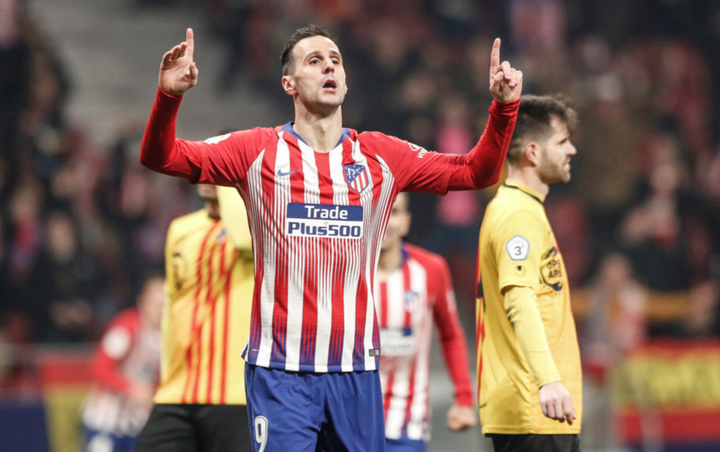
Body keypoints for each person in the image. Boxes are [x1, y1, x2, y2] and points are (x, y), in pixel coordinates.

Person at [140, 24, 522, 451]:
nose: (329, 68)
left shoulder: (381, 156)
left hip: (355, 372)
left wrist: (503, 109)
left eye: (335, 61)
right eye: (314, 61)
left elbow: (476, 172)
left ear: (345, 80)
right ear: (289, 83)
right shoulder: (256, 151)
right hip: (280, 372)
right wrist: (169, 97)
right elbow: (161, 157)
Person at [476, 94, 582, 452]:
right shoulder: (517, 214)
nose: (572, 150)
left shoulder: (521, 208)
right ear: (533, 153)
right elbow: (519, 300)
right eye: (562, 142)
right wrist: (548, 380)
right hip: (534, 405)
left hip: (538, 408)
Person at [134, 184, 254, 452]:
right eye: (204, 167)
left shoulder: (258, 224)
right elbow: (172, 306)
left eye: (217, 168)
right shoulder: (181, 229)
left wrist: (228, 185)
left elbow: (245, 241)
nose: (206, 175)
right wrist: (167, 377)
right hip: (178, 392)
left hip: (235, 395)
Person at [375, 192, 476, 452]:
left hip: (407, 424)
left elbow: (451, 334)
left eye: (393, 212)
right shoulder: (343, 270)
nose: (384, 221)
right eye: (375, 211)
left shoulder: (430, 269)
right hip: (348, 422)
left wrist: (464, 398)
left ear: (406, 222)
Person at [81, 274, 164, 452]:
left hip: (137, 423)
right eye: (156, 304)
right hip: (106, 422)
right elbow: (100, 368)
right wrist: (130, 389)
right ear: (142, 302)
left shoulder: (167, 337)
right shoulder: (126, 327)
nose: (160, 310)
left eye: (165, 304)